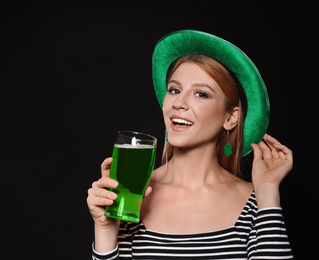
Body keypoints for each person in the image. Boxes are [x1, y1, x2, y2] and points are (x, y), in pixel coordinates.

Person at [87, 30, 294, 259]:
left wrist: (268, 191)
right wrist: (105, 229)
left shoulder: (257, 202)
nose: (179, 103)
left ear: (230, 118)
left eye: (200, 94)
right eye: (174, 90)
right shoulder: (132, 194)